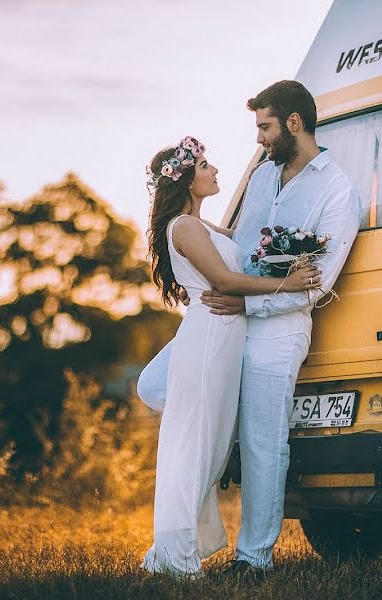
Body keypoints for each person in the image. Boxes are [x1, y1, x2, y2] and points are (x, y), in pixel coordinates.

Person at [138, 81, 361, 574]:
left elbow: (317, 284)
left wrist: (245, 305)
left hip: (276, 328)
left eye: (265, 127)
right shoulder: (261, 177)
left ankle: (253, 556)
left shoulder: (337, 191)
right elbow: (235, 243)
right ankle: (212, 448)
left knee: (264, 442)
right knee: (155, 385)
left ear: (294, 123)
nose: (259, 139)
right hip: (223, 321)